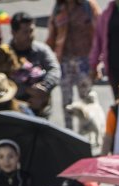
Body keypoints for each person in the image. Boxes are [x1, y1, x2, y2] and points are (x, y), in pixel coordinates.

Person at [45, 0, 97, 130]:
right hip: (64, 60)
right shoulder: (59, 8)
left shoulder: (87, 6)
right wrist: (46, 58)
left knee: (87, 99)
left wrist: (97, 61)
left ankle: (88, 132)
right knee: (66, 101)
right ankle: (69, 132)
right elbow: (52, 35)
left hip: (84, 60)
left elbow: (98, 32)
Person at [7, 12, 60, 115]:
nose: (30, 36)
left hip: (40, 108)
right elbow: (0, 80)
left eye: (31, 31)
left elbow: (54, 70)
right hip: (13, 109)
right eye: (25, 32)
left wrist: (44, 86)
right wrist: (26, 90)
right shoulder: (4, 54)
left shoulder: (42, 50)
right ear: (14, 32)